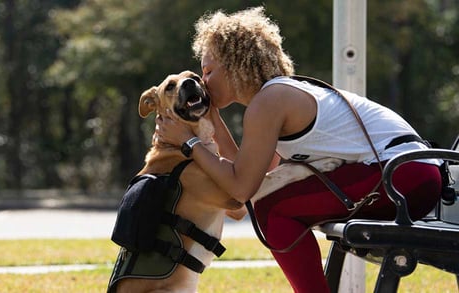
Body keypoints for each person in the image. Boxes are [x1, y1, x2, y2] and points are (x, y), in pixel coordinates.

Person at [155, 7, 442, 293]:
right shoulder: (277, 95)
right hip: (409, 175)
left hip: (403, 175)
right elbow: (253, 176)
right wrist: (211, 120)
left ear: (234, 64)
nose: (202, 82)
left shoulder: (270, 101)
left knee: (274, 209)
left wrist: (189, 144)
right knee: (271, 201)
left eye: (208, 71)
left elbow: (241, 189)